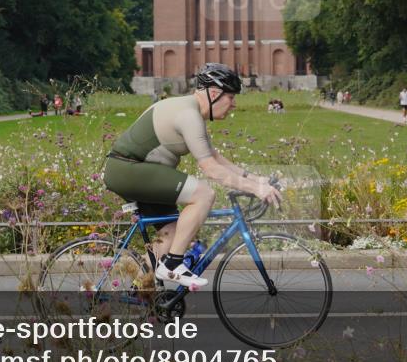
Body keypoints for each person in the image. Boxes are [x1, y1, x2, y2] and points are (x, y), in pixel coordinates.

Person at [102, 63, 282, 290]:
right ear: (215, 94)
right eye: (231, 97)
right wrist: (255, 190)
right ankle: (173, 265)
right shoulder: (189, 115)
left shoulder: (190, 110)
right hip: (128, 169)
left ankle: (140, 293)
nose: (234, 104)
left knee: (170, 236)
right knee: (204, 194)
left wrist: (256, 180)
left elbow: (215, 157)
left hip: (134, 169)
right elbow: (210, 169)